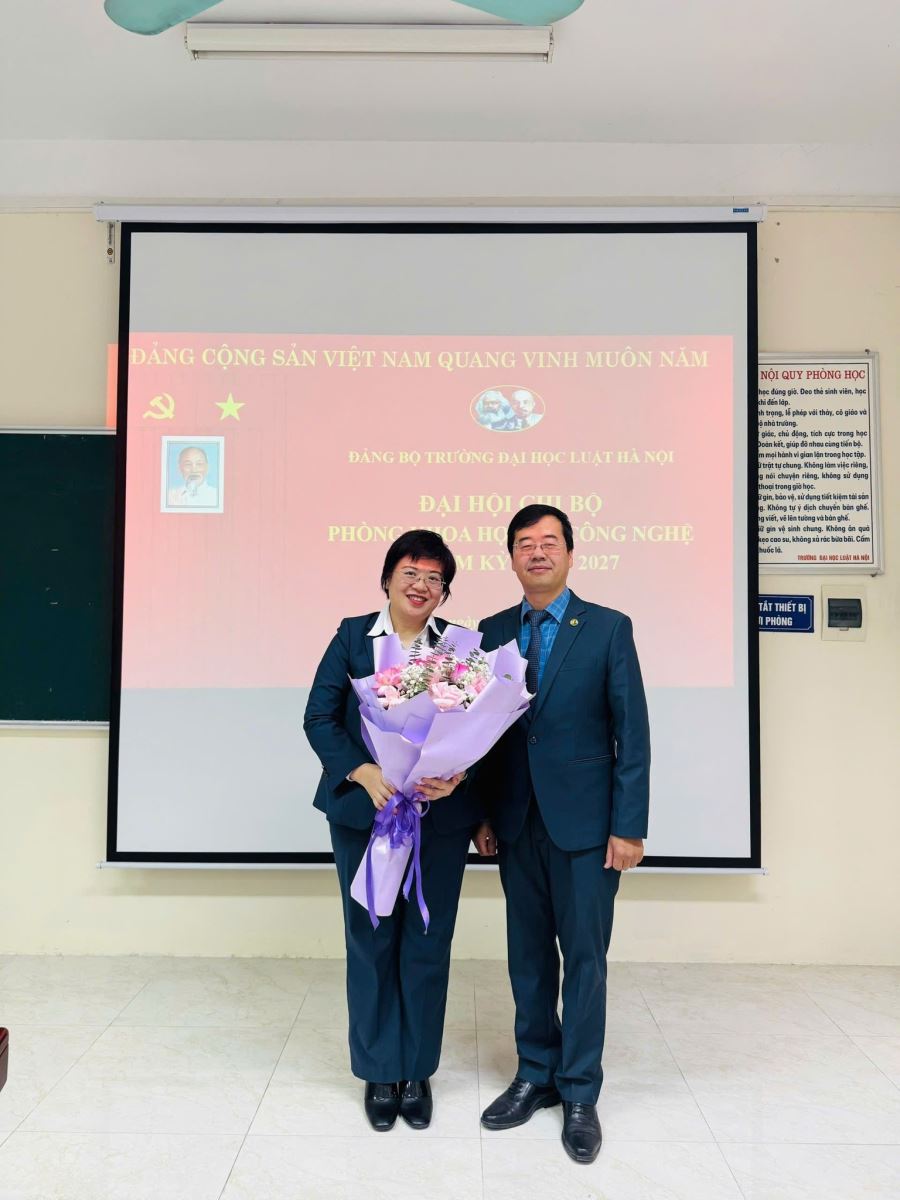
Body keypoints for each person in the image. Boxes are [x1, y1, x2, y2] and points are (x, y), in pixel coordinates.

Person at [472, 504, 650, 1164]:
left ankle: (579, 1090)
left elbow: (632, 733)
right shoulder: (491, 632)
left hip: (588, 828)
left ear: (570, 554)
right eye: (525, 544)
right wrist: (483, 815)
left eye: (550, 542)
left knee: (584, 959)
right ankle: (535, 1074)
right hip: (516, 822)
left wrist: (628, 826)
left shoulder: (607, 628)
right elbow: (482, 735)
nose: (538, 552)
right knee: (526, 957)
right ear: (511, 558)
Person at [303, 530, 481, 1133]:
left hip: (437, 818)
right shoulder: (354, 637)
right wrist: (362, 770)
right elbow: (319, 717)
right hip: (367, 813)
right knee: (372, 937)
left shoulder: (458, 647)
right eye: (410, 572)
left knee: (427, 941)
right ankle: (381, 1070)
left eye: (434, 578)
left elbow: (480, 731)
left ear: (444, 591)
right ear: (387, 579)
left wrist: (457, 775)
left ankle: (417, 1069)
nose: (421, 585)